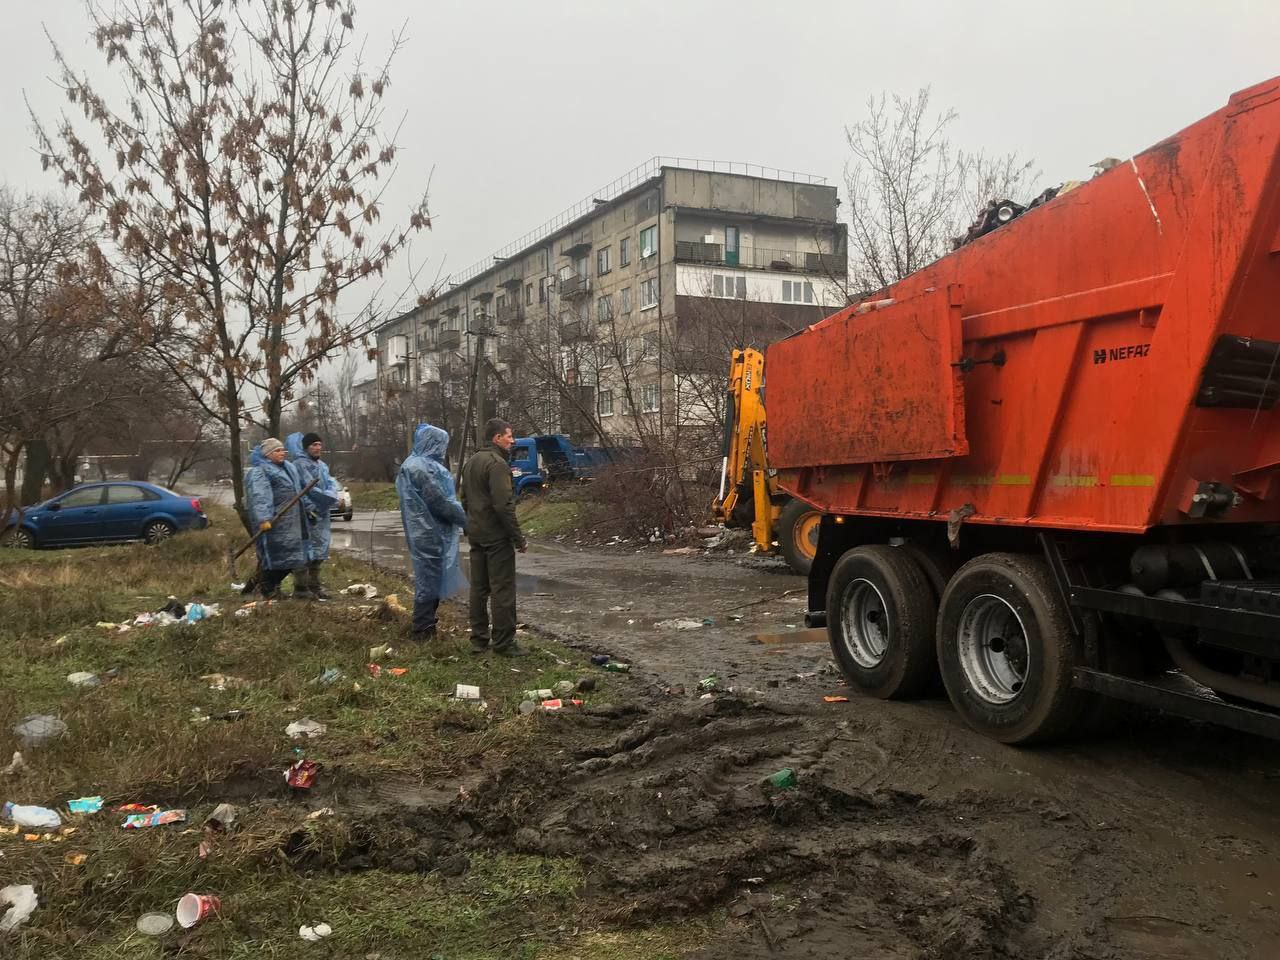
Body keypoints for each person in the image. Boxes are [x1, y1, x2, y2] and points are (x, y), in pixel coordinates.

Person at [461, 417, 528, 657]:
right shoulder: (497, 464)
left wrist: (469, 527)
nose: (513, 440)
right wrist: (518, 537)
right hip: (496, 536)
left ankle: (478, 640)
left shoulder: (471, 462)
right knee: (502, 589)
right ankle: (503, 643)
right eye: (509, 435)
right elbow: (503, 505)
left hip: (476, 533)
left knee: (478, 588)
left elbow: (465, 500)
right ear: (497, 438)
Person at [397, 424, 468, 643]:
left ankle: (425, 625)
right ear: (432, 443)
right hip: (431, 532)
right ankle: (422, 630)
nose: (443, 449)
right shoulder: (423, 467)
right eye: (441, 444)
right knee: (429, 580)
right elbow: (441, 502)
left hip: (423, 531)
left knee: (429, 578)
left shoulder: (411, 464)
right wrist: (468, 521)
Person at [244, 437, 310, 599]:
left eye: (283, 450)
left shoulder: (288, 468)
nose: (282, 453)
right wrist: (264, 518)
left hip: (293, 520)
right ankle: (266, 589)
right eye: (277, 451)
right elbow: (260, 496)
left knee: (294, 557)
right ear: (267, 454)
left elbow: (298, 490)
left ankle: (264, 588)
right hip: (276, 522)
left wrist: (309, 509)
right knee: (277, 557)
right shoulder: (260, 471)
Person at [286, 431, 341, 599]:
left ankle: (315, 586)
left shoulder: (322, 465)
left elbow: (331, 483)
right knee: (306, 550)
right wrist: (313, 505)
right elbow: (304, 489)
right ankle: (301, 588)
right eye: (314, 445)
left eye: (319, 444)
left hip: (322, 514)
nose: (318, 448)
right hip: (307, 513)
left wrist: (332, 496)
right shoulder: (300, 465)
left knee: (320, 550)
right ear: (306, 447)